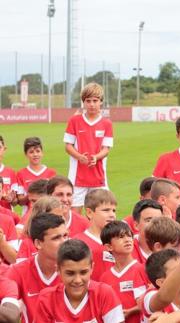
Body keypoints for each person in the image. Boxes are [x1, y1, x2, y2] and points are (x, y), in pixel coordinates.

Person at [36, 239, 124, 323]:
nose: (77, 280)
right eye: (70, 273)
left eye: (83, 272)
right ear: (58, 270)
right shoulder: (46, 299)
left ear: (92, 268)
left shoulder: (105, 294)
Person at [7, 213, 68, 323]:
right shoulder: (19, 271)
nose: (64, 242)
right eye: (56, 238)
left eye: (65, 236)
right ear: (38, 243)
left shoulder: (76, 269)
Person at [63, 82, 113, 214]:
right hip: (77, 177)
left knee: (103, 212)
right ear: (83, 102)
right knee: (74, 214)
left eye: (95, 101)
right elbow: (68, 146)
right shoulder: (75, 121)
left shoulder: (106, 123)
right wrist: (79, 157)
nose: (91, 104)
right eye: (88, 101)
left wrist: (96, 157)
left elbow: (106, 149)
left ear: (101, 102)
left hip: (99, 177)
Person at [99, 221, 147, 323]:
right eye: (121, 237)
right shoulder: (104, 277)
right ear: (109, 247)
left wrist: (131, 311)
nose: (127, 240)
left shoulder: (142, 269)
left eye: (129, 236)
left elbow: (152, 302)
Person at [73, 189, 117, 281]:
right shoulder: (78, 242)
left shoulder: (120, 239)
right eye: (106, 210)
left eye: (114, 210)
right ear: (89, 213)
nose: (112, 214)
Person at [16, 137, 56, 210]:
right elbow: (20, 201)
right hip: (28, 215)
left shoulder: (51, 173)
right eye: (31, 152)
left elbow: (55, 197)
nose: (35, 154)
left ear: (42, 153)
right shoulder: (21, 173)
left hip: (47, 213)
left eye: (38, 151)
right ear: (26, 154)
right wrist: (33, 194)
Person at [130, 199, 163, 264]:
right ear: (136, 225)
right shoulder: (126, 249)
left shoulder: (170, 246)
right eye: (149, 220)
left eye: (159, 220)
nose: (155, 224)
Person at [0, 135, 18, 212]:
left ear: (4, 149)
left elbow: (15, 202)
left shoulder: (10, 172)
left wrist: (11, 199)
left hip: (7, 218)